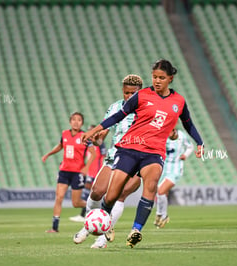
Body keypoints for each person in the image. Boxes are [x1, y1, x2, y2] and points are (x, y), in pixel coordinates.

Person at [80, 59, 204, 248]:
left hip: (154, 153)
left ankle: (136, 230)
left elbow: (188, 123)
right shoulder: (142, 95)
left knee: (151, 186)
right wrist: (92, 131)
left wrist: (200, 142)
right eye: (154, 77)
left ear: (170, 78)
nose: (157, 80)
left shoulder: (178, 101)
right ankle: (102, 226)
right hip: (129, 149)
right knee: (111, 195)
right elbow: (117, 116)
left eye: (161, 77)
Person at [73, 74, 143, 249]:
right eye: (126, 93)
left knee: (118, 195)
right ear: (122, 91)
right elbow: (103, 134)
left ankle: (102, 238)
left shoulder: (147, 110)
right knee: (96, 193)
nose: (129, 97)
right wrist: (96, 139)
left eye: (133, 93)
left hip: (137, 161)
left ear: (140, 92)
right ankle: (88, 227)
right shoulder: (115, 108)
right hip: (114, 157)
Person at [42, 112, 96, 233]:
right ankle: (55, 227)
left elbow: (93, 153)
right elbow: (61, 146)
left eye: (79, 120)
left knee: (76, 203)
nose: (76, 122)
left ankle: (95, 207)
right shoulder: (65, 134)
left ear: (82, 123)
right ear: (70, 121)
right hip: (64, 171)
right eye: (74, 119)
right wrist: (49, 154)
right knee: (59, 197)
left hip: (77, 173)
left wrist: (86, 167)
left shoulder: (84, 136)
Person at [154, 127, 193, 229]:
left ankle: (161, 214)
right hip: (164, 168)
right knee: (161, 192)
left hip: (176, 168)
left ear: (174, 130)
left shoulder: (181, 136)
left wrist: (185, 155)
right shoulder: (162, 136)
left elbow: (190, 146)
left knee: (161, 191)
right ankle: (162, 215)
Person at [69, 125, 107, 223]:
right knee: (89, 192)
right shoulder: (87, 143)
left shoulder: (100, 143)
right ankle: (88, 214)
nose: (90, 132)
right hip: (89, 170)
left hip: (96, 171)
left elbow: (104, 156)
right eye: (89, 130)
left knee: (93, 192)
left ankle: (93, 213)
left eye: (92, 130)